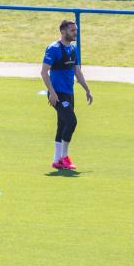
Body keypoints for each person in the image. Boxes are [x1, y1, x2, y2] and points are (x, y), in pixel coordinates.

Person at [40, 20, 93, 170]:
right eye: (72, 31)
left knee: (62, 124)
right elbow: (44, 72)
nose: (75, 33)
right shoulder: (53, 49)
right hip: (57, 94)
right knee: (71, 121)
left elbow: (77, 71)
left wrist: (87, 89)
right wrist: (52, 93)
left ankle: (57, 160)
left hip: (69, 93)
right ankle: (64, 157)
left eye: (75, 30)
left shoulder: (73, 48)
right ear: (63, 32)